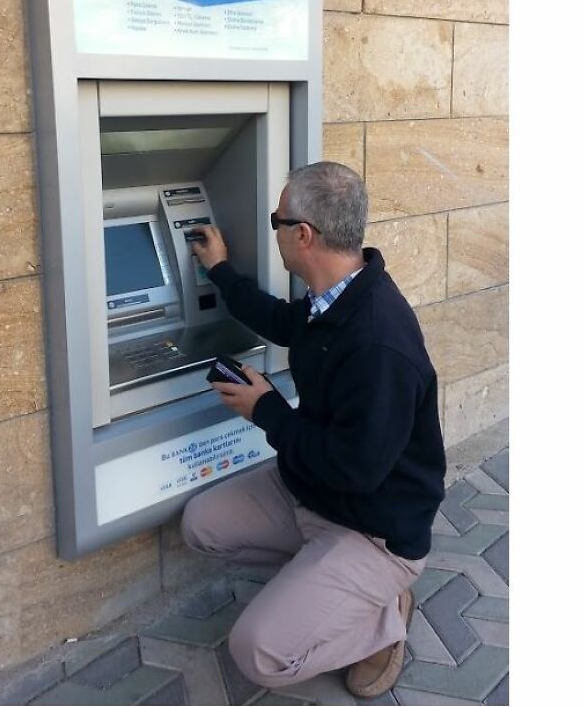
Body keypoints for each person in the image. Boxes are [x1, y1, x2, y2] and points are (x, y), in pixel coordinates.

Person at [182, 161, 446, 698]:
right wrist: (220, 271)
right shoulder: (337, 297)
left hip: (375, 531)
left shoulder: (378, 343)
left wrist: (267, 411)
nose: (273, 228)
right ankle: (325, 588)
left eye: (276, 219)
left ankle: (380, 620)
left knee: (257, 652)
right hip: (312, 490)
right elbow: (283, 323)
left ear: (302, 235)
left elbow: (357, 469)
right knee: (201, 525)